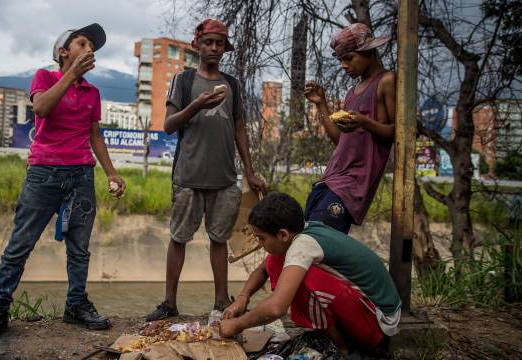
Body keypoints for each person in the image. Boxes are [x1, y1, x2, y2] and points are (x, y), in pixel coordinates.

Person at [0, 23, 126, 343]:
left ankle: (76, 305)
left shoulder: (93, 93)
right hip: (44, 173)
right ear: (63, 52)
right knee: (20, 245)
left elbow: (94, 135)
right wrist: (70, 76)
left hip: (81, 174)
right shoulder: (45, 77)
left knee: (79, 248)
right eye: (81, 43)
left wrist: (111, 172)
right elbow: (41, 107)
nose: (89, 49)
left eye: (92, 46)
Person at [145, 19, 266, 321]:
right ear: (198, 44)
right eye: (209, 42)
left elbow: (240, 129)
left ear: (225, 48)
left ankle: (221, 302)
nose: (214, 48)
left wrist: (249, 170)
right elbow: (169, 126)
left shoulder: (233, 85)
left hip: (224, 179)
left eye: (219, 43)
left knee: (219, 240)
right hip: (188, 177)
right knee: (179, 238)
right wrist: (196, 106)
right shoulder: (184, 81)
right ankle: (169, 303)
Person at [220, 192, 401, 357]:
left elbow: (277, 307)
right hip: (367, 311)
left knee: (305, 279)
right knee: (275, 261)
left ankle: (343, 350)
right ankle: (333, 337)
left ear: (283, 234)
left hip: (378, 323)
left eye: (262, 238)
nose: (260, 244)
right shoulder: (300, 233)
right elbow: (263, 269)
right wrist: (243, 297)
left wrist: (237, 324)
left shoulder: (303, 246)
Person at [303, 23, 396, 234]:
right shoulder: (352, 93)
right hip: (331, 177)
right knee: (306, 235)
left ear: (369, 51)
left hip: (352, 184)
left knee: (319, 242)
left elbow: (396, 133)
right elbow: (341, 140)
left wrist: (365, 122)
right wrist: (321, 104)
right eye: (340, 60)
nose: (344, 65)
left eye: (349, 58)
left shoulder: (387, 81)